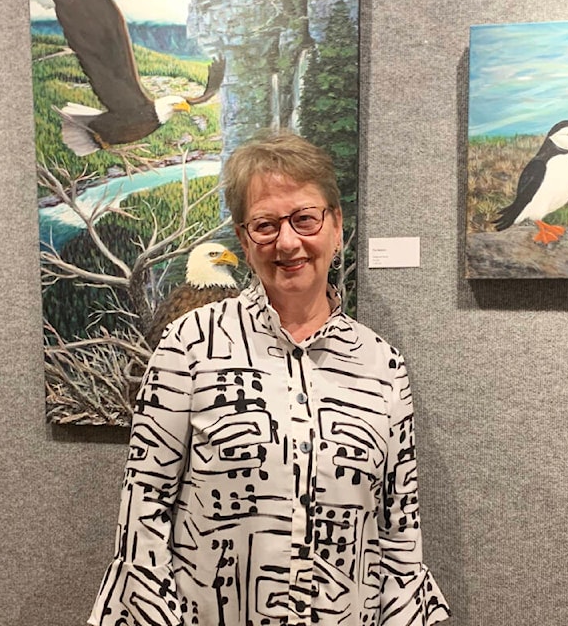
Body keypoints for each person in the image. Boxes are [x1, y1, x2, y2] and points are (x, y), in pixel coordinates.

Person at [89, 132, 449, 626]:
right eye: (265, 225)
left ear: (336, 226)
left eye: (305, 218)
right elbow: (143, 512)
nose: (287, 241)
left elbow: (399, 530)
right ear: (243, 239)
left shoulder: (381, 365)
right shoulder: (189, 346)